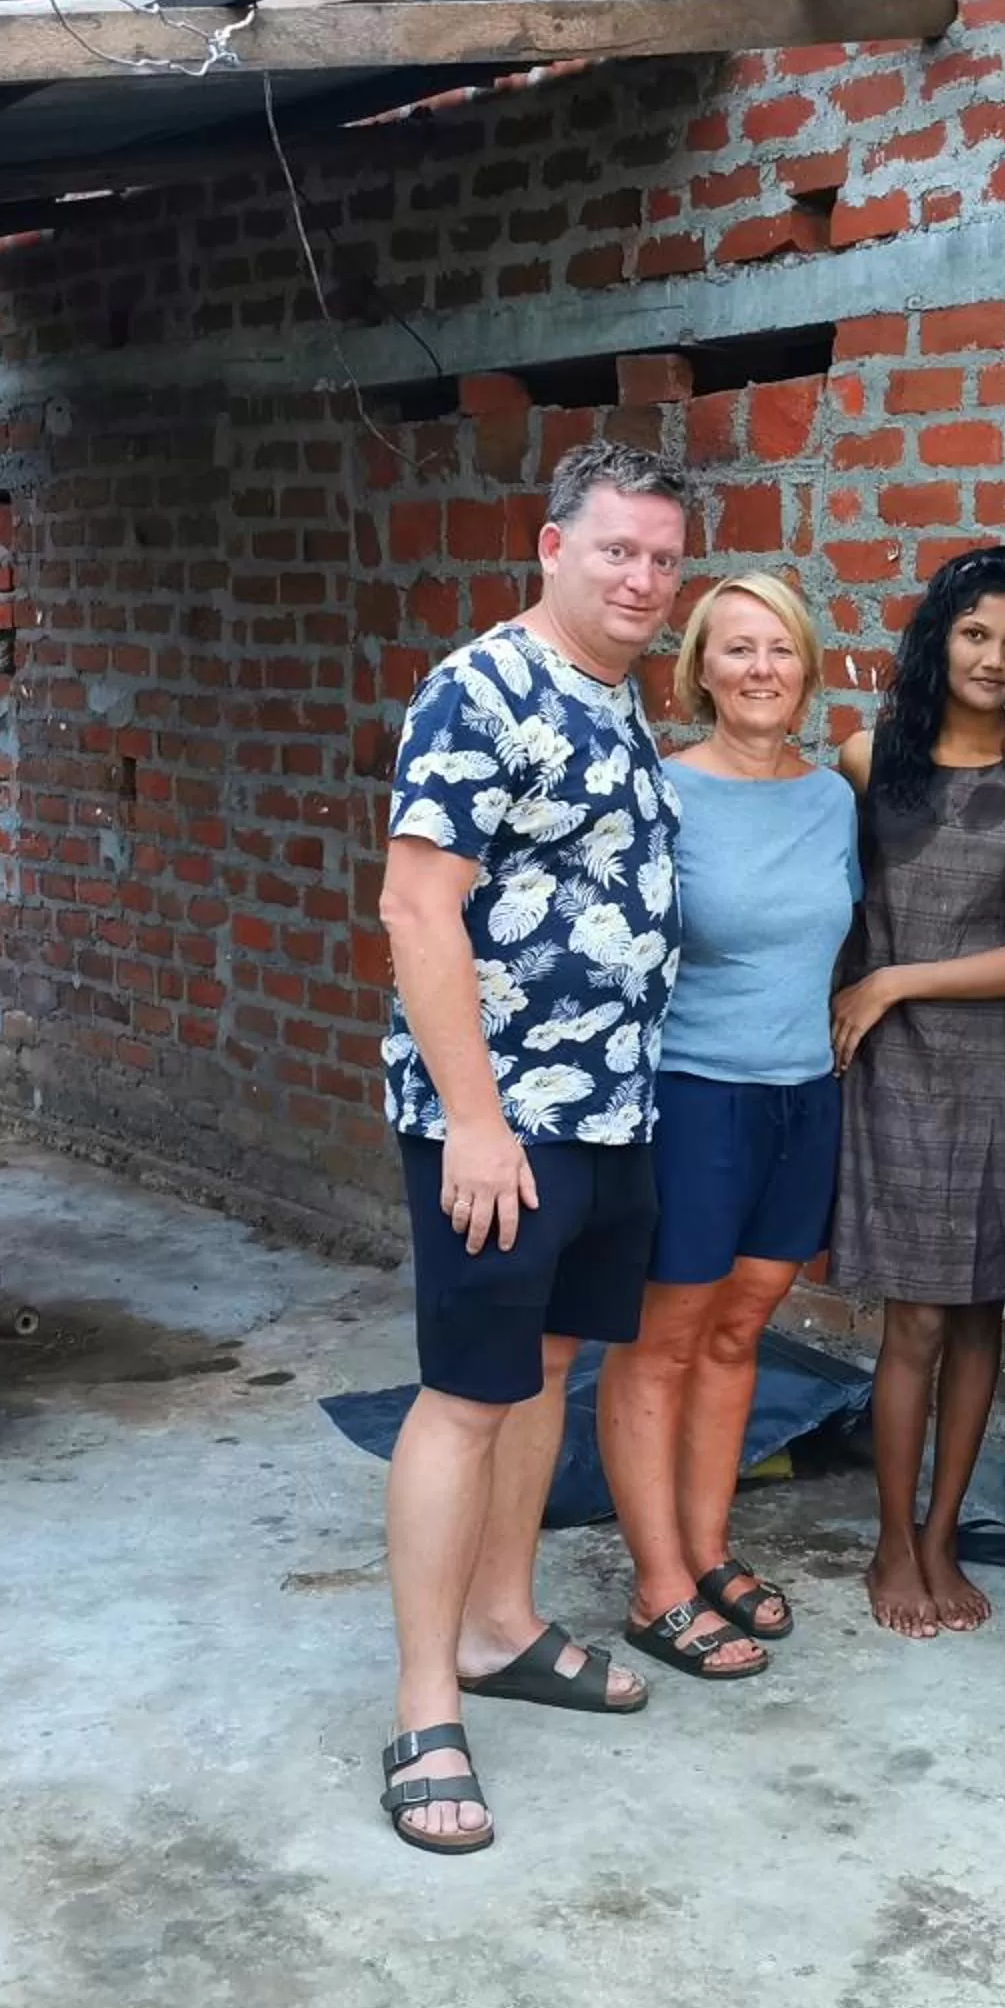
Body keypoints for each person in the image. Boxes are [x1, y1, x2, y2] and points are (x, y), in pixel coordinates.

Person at [372, 440, 692, 1856]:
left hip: (615, 1108)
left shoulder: (622, 697)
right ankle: (426, 1703)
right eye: (615, 549)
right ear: (549, 546)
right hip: (503, 1123)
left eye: (663, 557)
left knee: (550, 1367)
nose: (641, 577)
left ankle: (503, 1625)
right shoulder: (480, 686)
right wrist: (479, 1120)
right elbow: (415, 909)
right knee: (463, 1390)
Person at [599, 572, 856, 1683]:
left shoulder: (833, 797)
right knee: (661, 1340)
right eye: (737, 650)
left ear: (807, 669)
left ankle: (707, 1550)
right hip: (694, 1097)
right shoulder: (660, 792)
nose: (760, 670)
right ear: (698, 668)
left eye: (781, 651)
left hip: (805, 1094)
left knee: (742, 1329)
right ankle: (655, 1583)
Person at [832, 544, 1005, 1638]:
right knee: (918, 1318)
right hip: (894, 1069)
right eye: (976, 633)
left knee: (983, 1313)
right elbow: (826, 909)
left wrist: (895, 977)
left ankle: (943, 1533)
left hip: (1002, 1069)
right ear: (940, 637)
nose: (995, 656)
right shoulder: (862, 757)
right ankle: (893, 1537)